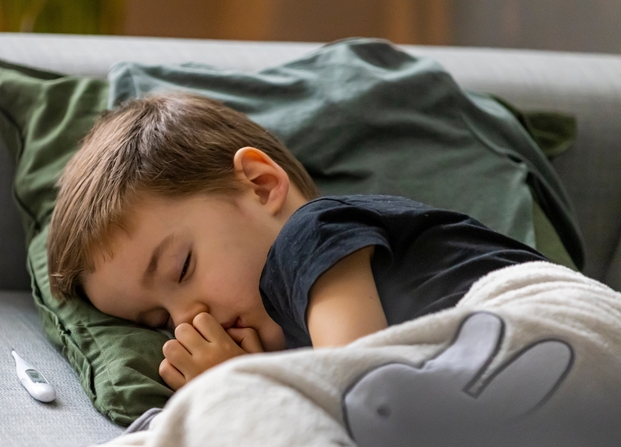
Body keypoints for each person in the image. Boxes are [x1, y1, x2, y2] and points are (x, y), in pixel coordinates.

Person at [47, 92, 547, 391]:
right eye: (158, 322)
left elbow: (361, 392)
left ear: (261, 185)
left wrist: (239, 386)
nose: (188, 322)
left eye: (182, 267)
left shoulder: (310, 235)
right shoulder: (294, 329)